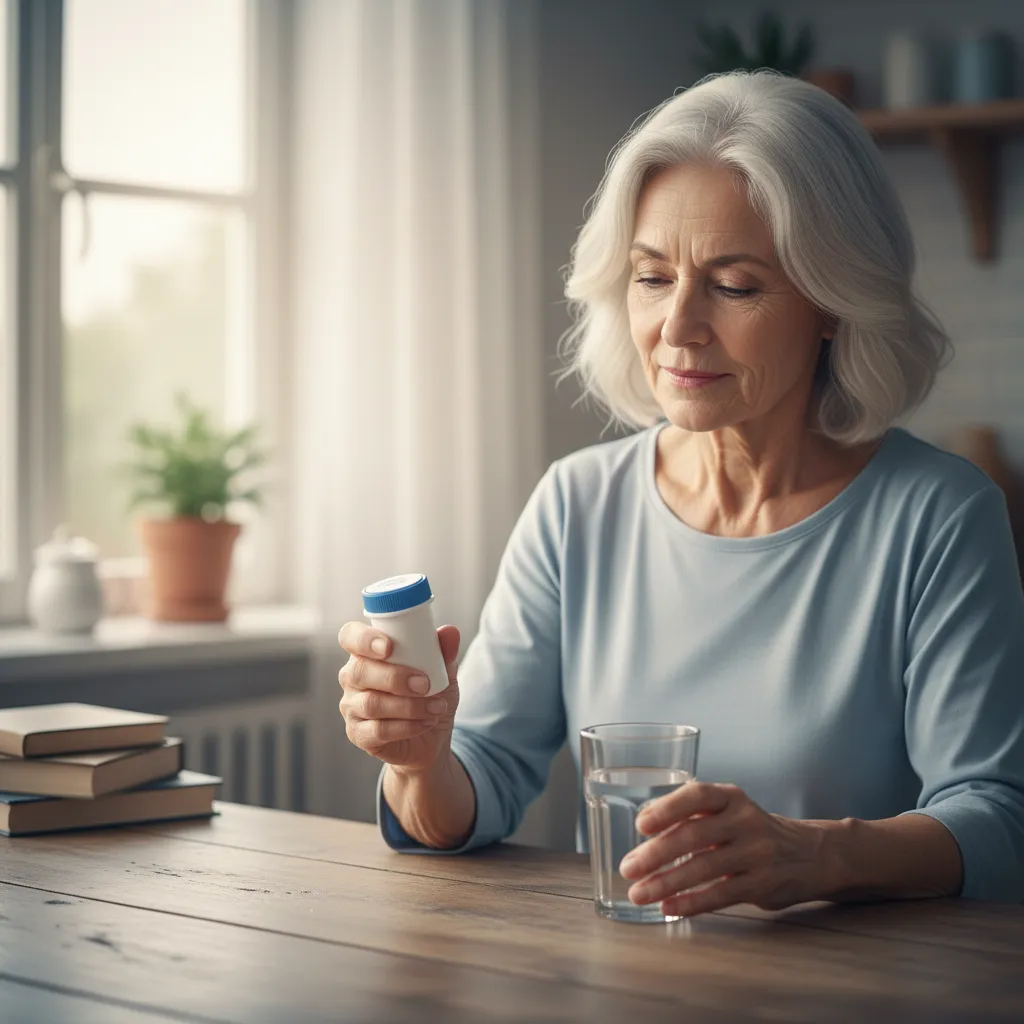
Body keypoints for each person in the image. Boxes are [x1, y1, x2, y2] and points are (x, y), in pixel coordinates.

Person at [338, 70, 1024, 914]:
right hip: (628, 982)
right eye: (653, 277)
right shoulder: (575, 504)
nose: (678, 326)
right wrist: (419, 760)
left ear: (833, 303)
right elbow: (469, 794)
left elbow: (999, 822)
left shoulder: (940, 516)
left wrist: (815, 854)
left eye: (734, 286)